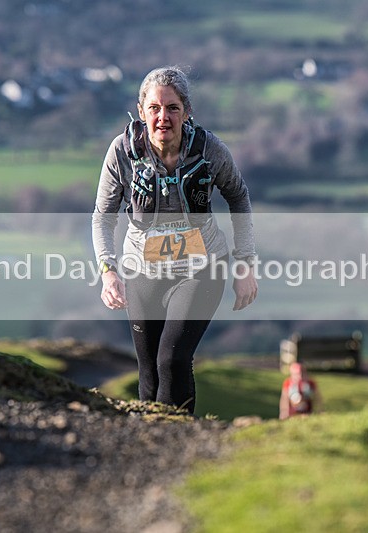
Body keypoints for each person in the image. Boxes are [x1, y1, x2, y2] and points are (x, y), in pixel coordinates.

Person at [92, 66, 258, 414]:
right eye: (154, 108)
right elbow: (102, 216)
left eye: (172, 108)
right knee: (150, 370)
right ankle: (153, 445)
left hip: (202, 268)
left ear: (187, 111)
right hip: (144, 269)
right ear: (141, 111)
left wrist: (245, 265)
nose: (163, 117)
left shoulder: (210, 150)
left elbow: (239, 198)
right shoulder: (122, 152)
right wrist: (108, 270)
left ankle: (177, 435)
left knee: (172, 359)